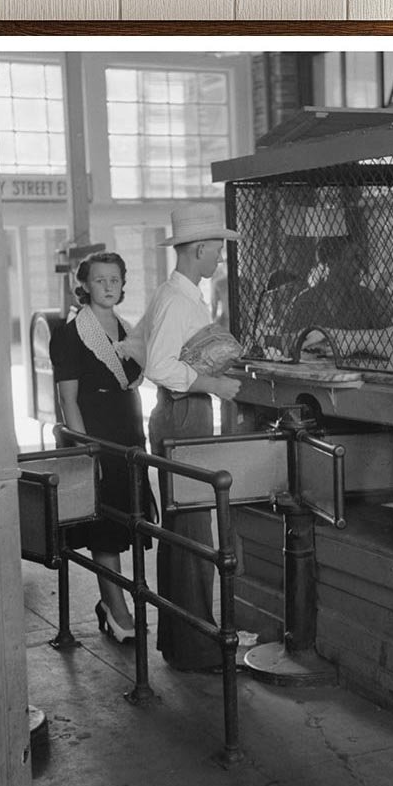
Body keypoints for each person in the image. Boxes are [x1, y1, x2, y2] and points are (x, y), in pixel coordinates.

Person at [131, 204, 242, 672]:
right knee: (194, 532)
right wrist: (212, 383)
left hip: (179, 412)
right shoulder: (178, 300)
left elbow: (143, 345)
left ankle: (181, 642)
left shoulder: (173, 293)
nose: (218, 259)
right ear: (198, 249)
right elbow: (157, 366)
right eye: (215, 251)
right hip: (183, 413)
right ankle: (196, 648)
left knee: (184, 531)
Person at [51, 251, 152, 644]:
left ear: (123, 284)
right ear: (85, 286)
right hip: (93, 432)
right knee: (104, 528)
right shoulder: (71, 334)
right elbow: (68, 400)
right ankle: (116, 607)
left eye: (115, 280)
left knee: (127, 520)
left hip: (128, 431)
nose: (108, 287)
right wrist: (85, 451)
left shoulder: (129, 330)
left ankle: (112, 601)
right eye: (100, 280)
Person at [280, 235, 393, 335]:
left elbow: (391, 337)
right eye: (354, 258)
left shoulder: (366, 299)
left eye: (360, 258)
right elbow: (285, 341)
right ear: (332, 261)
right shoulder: (304, 302)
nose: (360, 266)